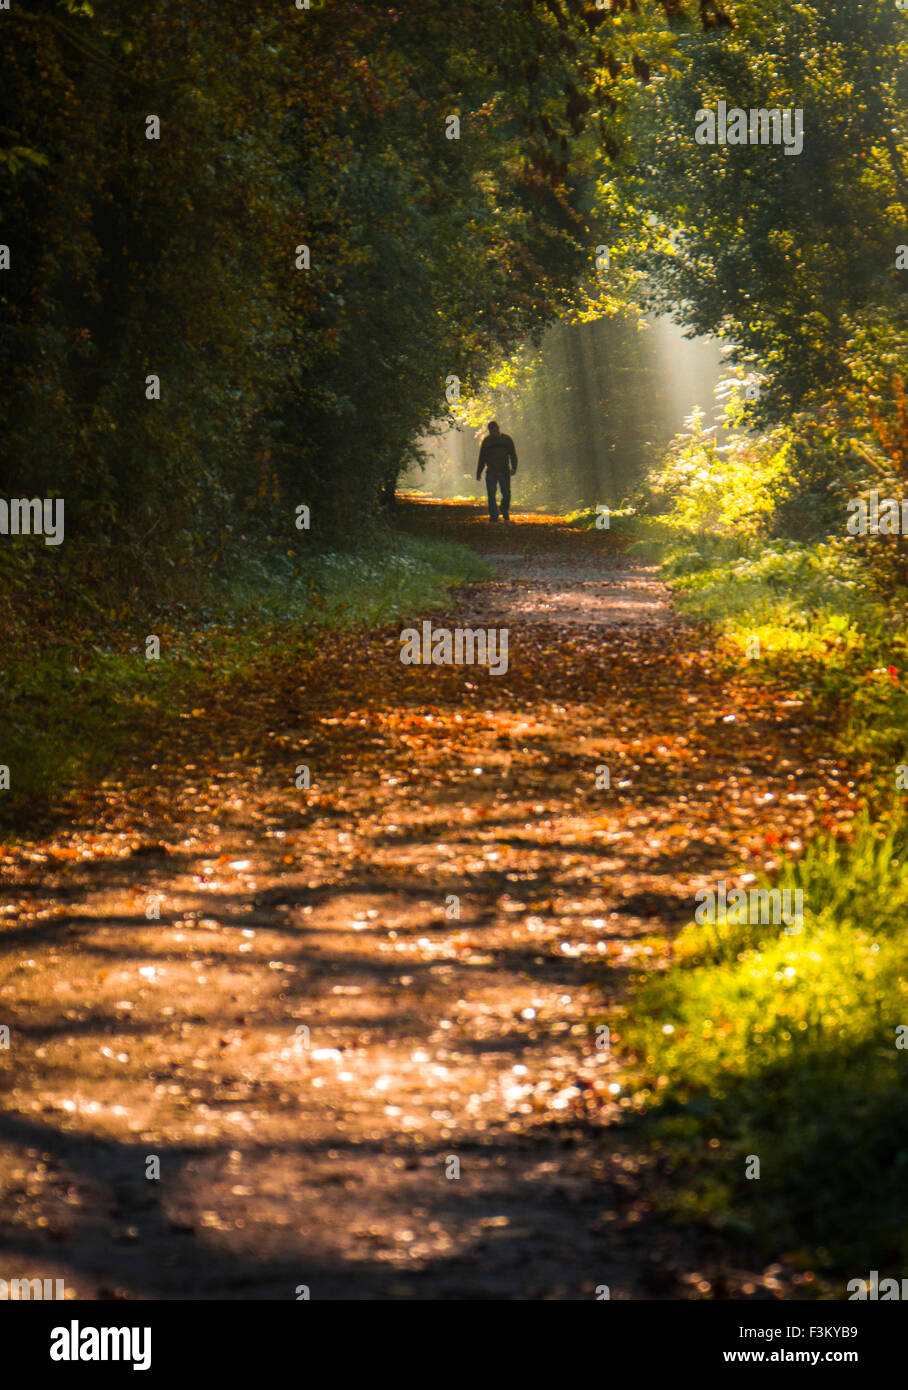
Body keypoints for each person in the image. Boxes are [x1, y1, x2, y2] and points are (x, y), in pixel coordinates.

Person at [476, 421, 518, 523]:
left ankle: (503, 509)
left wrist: (514, 468)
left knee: (506, 494)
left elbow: (513, 454)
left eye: (496, 430)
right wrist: (479, 472)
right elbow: (482, 458)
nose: (495, 432)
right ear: (490, 431)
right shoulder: (486, 442)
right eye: (493, 431)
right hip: (491, 472)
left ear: (498, 429)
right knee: (491, 494)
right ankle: (494, 516)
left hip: (504, 471)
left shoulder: (506, 440)